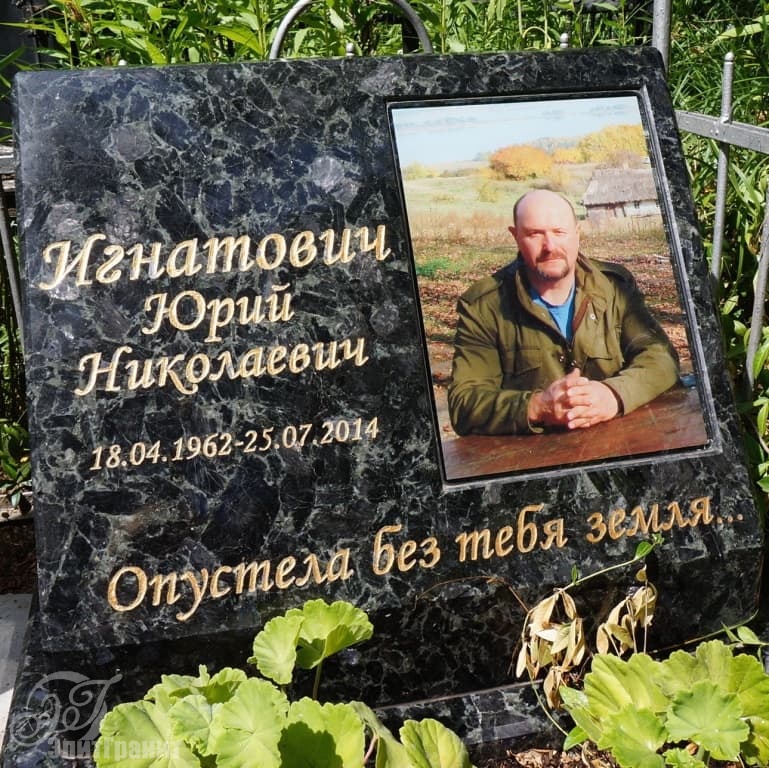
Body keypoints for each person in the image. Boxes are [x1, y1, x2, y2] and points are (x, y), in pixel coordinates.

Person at [447, 189, 679, 436]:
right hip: (533, 452)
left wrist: (613, 395)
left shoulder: (614, 287)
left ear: (577, 233)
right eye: (535, 234)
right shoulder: (484, 305)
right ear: (515, 236)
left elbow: (661, 357)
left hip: (617, 438)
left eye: (559, 232)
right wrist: (537, 407)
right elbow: (464, 403)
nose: (550, 246)